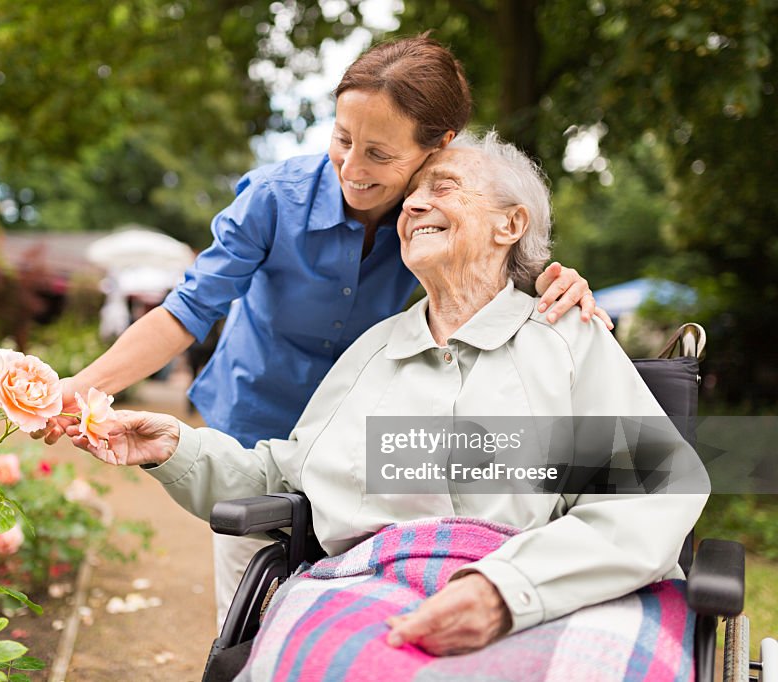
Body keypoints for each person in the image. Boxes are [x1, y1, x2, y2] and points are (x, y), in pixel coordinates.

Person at [66, 131, 709, 679]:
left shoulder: (565, 339)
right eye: (411, 196)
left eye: (446, 187)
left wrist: (507, 589)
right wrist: (175, 447)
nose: (415, 206)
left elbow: (652, 494)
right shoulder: (375, 350)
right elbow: (288, 479)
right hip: (371, 587)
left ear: (510, 225)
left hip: (551, 585)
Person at [40, 34, 609, 628]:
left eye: (380, 155)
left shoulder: (430, 216)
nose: (353, 169)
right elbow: (188, 310)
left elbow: (489, 252)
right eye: (342, 140)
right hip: (256, 424)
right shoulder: (273, 199)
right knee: (251, 617)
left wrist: (549, 276)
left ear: (437, 149)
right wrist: (80, 386)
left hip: (362, 450)